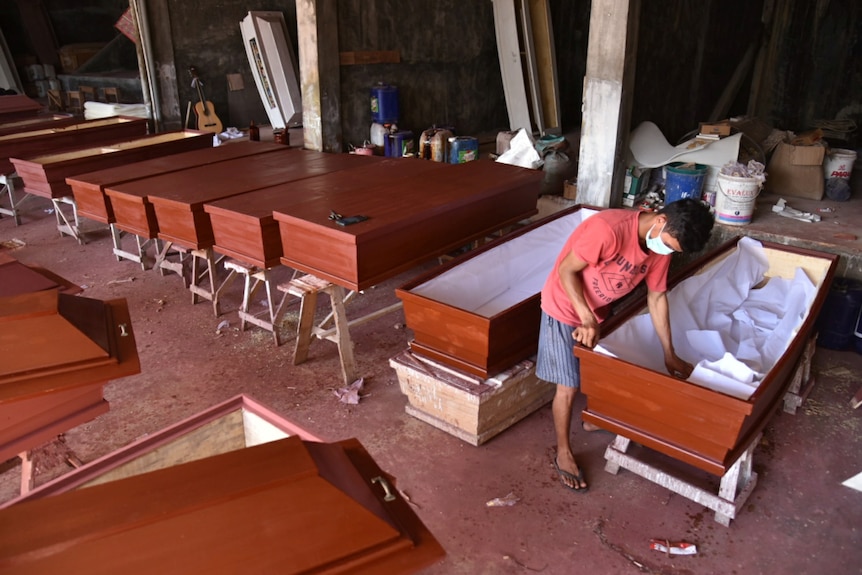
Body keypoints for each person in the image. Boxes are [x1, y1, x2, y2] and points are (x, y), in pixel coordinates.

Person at [537, 198, 714, 492]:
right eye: (669, 245)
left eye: (673, 250)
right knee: (567, 385)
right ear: (660, 221)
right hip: (564, 306)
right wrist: (585, 318)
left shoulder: (661, 247)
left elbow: (656, 297)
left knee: (601, 368)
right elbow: (566, 270)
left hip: (597, 311)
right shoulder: (609, 229)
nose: (667, 252)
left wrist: (669, 353)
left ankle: (593, 420)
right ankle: (564, 451)